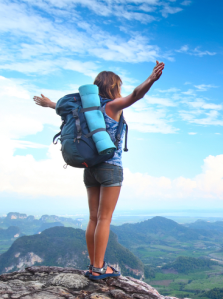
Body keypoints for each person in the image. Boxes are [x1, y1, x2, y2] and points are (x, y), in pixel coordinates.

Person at [34, 61, 165, 279]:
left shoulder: (86, 109)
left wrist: (49, 104)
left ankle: (94, 265)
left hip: (90, 168)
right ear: (113, 87)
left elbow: (62, 107)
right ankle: (98, 269)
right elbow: (135, 95)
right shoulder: (112, 106)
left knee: (93, 218)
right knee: (105, 218)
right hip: (110, 167)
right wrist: (151, 79)